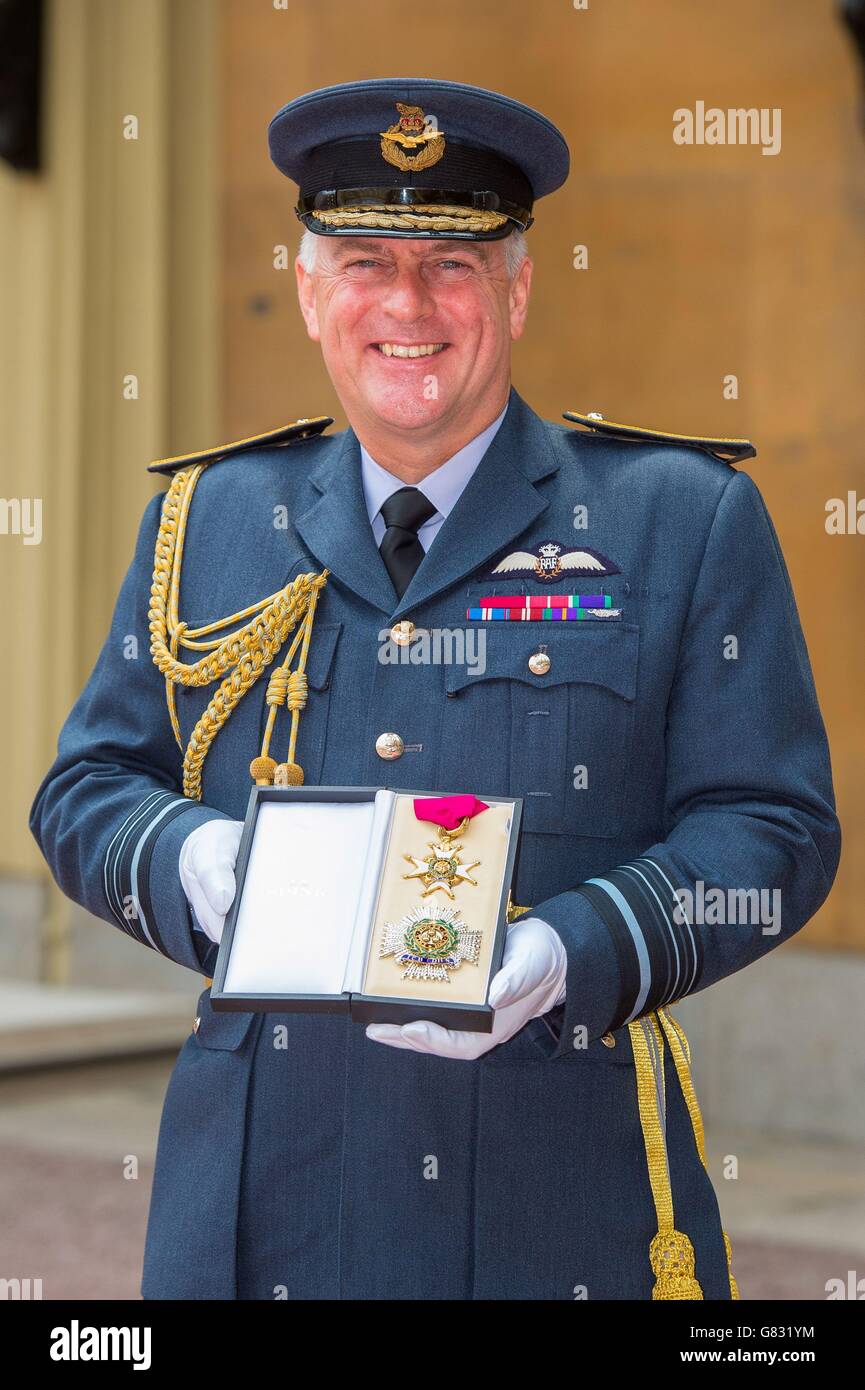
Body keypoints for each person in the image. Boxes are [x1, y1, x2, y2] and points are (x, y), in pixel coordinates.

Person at [30, 77, 841, 1301]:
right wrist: (190, 861)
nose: (406, 303)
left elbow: (773, 832)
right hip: (265, 1191)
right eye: (362, 258)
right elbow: (87, 786)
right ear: (308, 291)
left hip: (551, 1184)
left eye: (452, 263)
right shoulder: (205, 523)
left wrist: (571, 952)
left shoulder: (679, 519)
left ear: (517, 288)